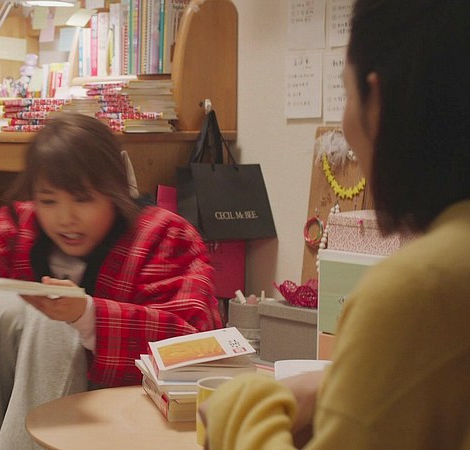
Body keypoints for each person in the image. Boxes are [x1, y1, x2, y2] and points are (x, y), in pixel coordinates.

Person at [199, 0, 470, 448]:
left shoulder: (417, 292)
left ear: (377, 102)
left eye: (346, 94)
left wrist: (241, 408)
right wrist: (335, 386)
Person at [0, 113, 223, 450]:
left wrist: (85, 315)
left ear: (115, 192)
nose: (65, 218)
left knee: (52, 323)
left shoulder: (164, 235)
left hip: (132, 415)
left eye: (83, 199)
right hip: (30, 407)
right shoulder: (24, 227)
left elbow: (193, 341)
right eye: (48, 200)